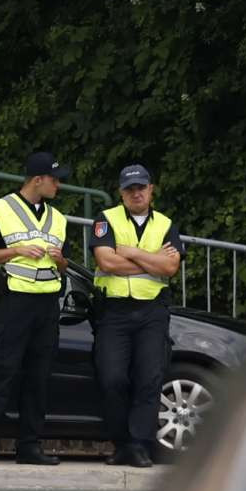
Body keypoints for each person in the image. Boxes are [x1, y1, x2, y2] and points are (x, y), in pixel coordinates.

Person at [0, 151, 72, 466]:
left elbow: (65, 266)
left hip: (47, 304)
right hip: (15, 302)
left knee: (39, 378)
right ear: (37, 179)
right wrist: (17, 250)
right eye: (55, 179)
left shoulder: (59, 218)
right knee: (2, 371)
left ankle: (29, 446)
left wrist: (60, 260)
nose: (58, 186)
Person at [90, 164, 185, 468]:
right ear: (121, 192)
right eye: (130, 189)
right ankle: (121, 442)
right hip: (115, 310)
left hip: (152, 311)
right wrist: (152, 260)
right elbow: (107, 263)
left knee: (149, 379)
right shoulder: (106, 219)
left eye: (141, 187)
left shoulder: (166, 224)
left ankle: (139, 446)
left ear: (151, 189)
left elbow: (171, 269)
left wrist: (130, 252)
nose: (136, 193)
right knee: (112, 378)